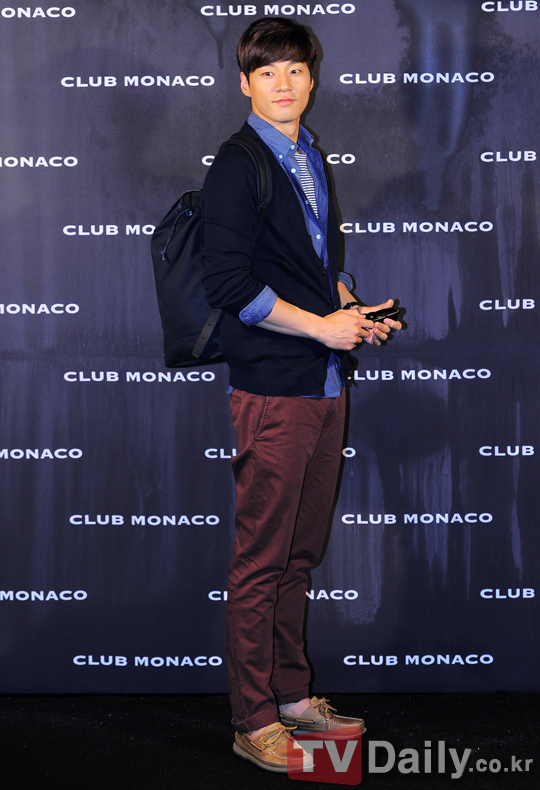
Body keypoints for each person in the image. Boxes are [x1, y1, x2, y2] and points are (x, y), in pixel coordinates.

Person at [201, 17, 401, 773]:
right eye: (267, 72)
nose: (283, 83)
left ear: (312, 78)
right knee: (262, 558)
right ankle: (253, 719)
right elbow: (229, 285)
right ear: (244, 84)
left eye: (295, 69)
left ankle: (290, 696)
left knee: (299, 553)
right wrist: (321, 327)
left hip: (323, 382)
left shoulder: (309, 154)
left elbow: (309, 263)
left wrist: (346, 305)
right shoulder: (239, 163)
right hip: (274, 387)